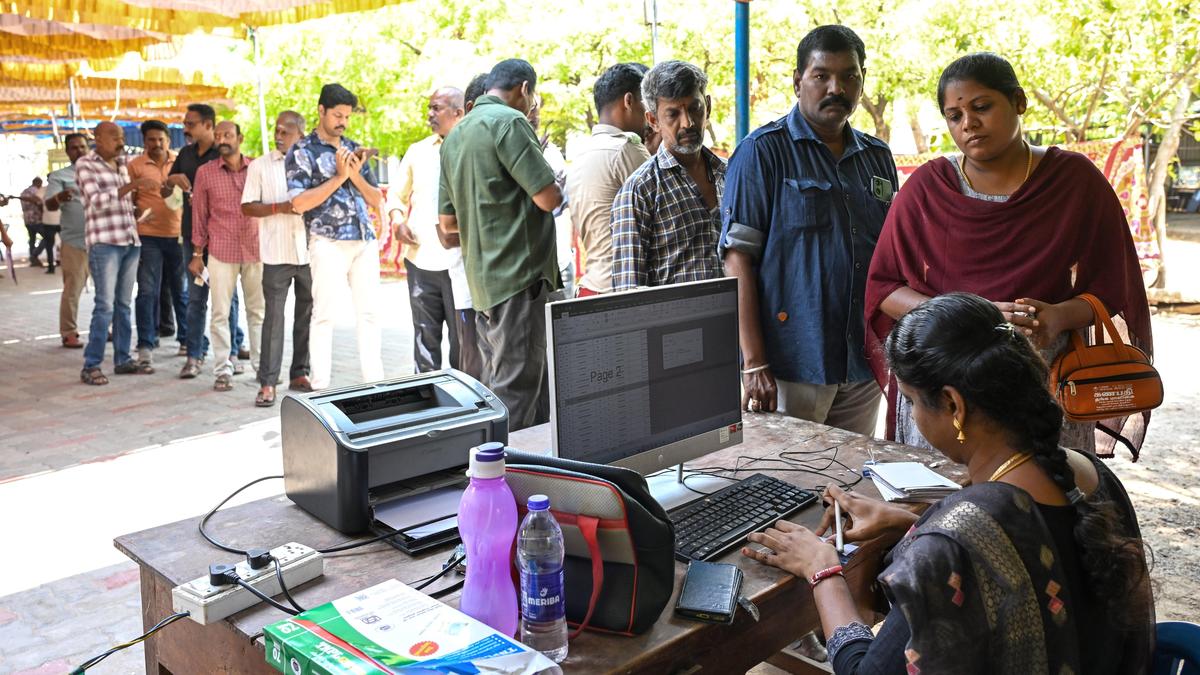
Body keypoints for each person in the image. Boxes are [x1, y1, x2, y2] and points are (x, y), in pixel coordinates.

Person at [743, 292, 1154, 674]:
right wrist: (907, 523)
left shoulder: (959, 538)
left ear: (954, 405)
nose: (913, 417)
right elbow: (1022, 553)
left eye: (910, 400)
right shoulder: (1091, 475)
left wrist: (822, 570)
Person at [864, 52, 1153, 456]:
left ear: (1019, 102)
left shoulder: (1074, 181)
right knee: (942, 508)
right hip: (945, 387)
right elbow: (884, 289)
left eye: (982, 107)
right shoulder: (929, 187)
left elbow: (1112, 286)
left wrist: (1056, 318)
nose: (969, 124)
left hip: (1044, 381)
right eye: (954, 116)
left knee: (1042, 504)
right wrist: (965, 317)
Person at [720, 26, 896, 436]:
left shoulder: (877, 157)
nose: (837, 88)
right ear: (798, 81)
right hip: (789, 366)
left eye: (849, 76)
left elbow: (891, 257)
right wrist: (754, 362)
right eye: (822, 76)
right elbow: (738, 260)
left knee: (848, 481)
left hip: (862, 362)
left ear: (862, 80)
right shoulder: (762, 152)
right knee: (785, 482)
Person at [438, 58, 563, 430]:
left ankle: (538, 474)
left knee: (517, 388)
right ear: (525, 90)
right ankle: (500, 480)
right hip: (520, 279)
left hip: (483, 284)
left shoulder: (455, 136)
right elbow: (548, 198)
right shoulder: (510, 121)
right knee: (517, 396)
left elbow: (446, 228)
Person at [288, 83, 385, 391]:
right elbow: (298, 203)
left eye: (347, 116)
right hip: (327, 242)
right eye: (337, 115)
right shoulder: (302, 151)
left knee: (369, 313)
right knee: (324, 316)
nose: (343, 121)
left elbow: (375, 199)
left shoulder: (353, 147)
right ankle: (321, 388)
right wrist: (340, 177)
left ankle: (377, 384)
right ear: (321, 111)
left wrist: (353, 172)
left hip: (363, 239)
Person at [611, 60, 725, 291]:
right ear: (653, 121)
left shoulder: (734, 174)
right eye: (673, 114)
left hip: (741, 323)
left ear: (708, 106)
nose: (688, 122)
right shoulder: (639, 191)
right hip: (679, 326)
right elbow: (629, 291)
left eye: (695, 108)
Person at [387, 88, 468, 374]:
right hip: (420, 261)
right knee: (424, 341)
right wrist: (398, 221)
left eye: (437, 108)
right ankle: (426, 404)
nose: (430, 114)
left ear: (459, 112)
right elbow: (395, 195)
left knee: (464, 345)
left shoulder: (471, 148)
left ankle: (465, 408)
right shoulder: (418, 151)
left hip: (461, 264)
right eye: (430, 108)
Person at [76, 122, 159, 384]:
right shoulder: (86, 164)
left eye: (122, 136)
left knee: (123, 305)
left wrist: (137, 213)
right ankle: (91, 365)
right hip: (104, 243)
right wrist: (132, 186)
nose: (120, 141)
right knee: (105, 305)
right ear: (97, 138)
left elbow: (121, 202)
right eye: (114, 136)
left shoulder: (121, 163)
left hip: (129, 240)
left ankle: (122, 359)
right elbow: (97, 200)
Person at [169, 103, 245, 376]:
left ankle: (233, 353)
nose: (185, 129)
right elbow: (169, 184)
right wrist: (174, 178)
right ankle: (194, 354)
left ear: (208, 125)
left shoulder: (224, 155)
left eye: (191, 124)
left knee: (228, 299)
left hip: (224, 239)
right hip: (193, 236)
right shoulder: (186, 154)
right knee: (196, 297)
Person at [242, 111, 313, 406]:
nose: (279, 136)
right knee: (273, 318)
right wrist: (279, 208)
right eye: (277, 131)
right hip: (276, 253)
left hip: (310, 252)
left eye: (286, 131)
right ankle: (268, 382)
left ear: (301, 135)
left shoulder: (312, 163)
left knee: (307, 314)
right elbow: (247, 206)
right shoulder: (260, 166)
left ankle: (300, 373)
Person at [566, 62, 651, 296]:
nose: (650, 115)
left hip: (591, 285)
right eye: (647, 103)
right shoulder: (625, 148)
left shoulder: (581, 154)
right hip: (621, 291)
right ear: (629, 101)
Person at [190, 121, 263, 393]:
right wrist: (198, 253)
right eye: (218, 135)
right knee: (220, 312)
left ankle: (261, 367)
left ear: (240, 138)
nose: (222, 139)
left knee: (258, 312)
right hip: (220, 252)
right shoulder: (205, 173)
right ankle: (222, 370)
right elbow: (199, 215)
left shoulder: (258, 168)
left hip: (256, 249)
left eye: (228, 135)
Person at [129, 119, 185, 371]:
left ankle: (187, 340)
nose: (157, 144)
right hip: (148, 236)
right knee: (147, 292)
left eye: (161, 139)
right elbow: (128, 202)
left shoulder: (180, 162)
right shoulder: (135, 166)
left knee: (182, 291)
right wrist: (137, 213)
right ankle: (146, 344)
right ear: (144, 142)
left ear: (168, 140)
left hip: (179, 236)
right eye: (151, 139)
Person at [525, 95, 575, 296]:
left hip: (560, 259)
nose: (534, 113)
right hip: (531, 271)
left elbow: (562, 203)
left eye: (537, 107)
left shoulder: (552, 152)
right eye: (530, 107)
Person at [45, 133, 90, 348]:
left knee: (108, 290)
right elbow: (50, 205)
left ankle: (105, 327)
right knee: (73, 289)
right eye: (74, 148)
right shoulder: (59, 176)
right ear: (67, 151)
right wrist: (59, 197)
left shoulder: (99, 173)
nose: (79, 150)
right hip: (74, 242)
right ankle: (69, 331)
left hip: (101, 240)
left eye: (83, 146)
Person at [19, 177, 47, 269]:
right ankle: (34, 255)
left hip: (27, 220)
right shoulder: (37, 192)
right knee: (47, 237)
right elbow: (40, 203)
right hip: (36, 219)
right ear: (39, 183)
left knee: (32, 239)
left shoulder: (24, 192)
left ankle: (33, 259)